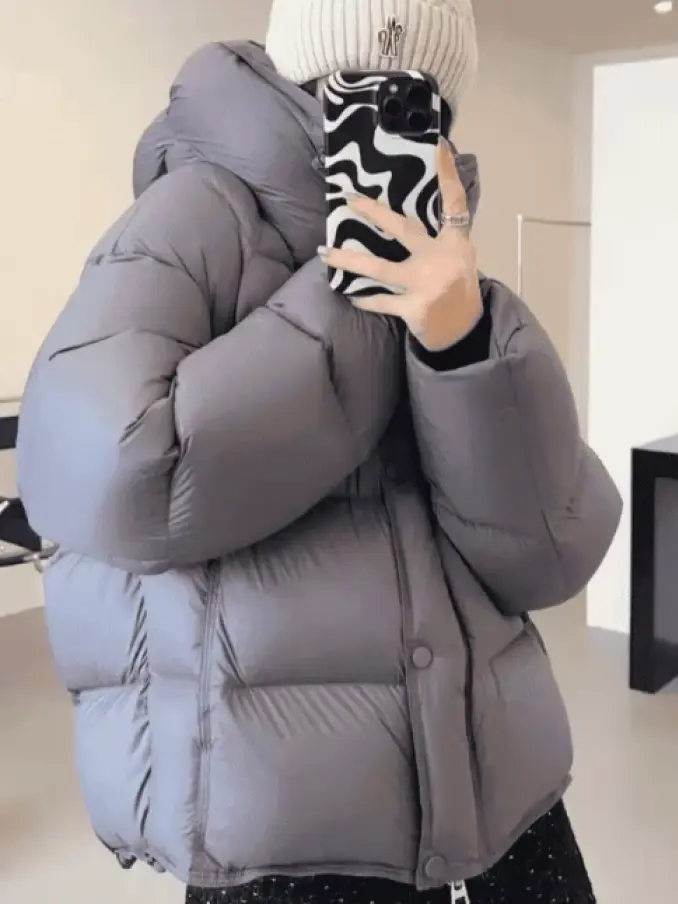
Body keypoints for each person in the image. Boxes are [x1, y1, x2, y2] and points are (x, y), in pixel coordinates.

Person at [17, 1, 621, 903]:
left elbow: (547, 554)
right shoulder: (195, 215)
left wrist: (461, 342)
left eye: (421, 96)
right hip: (292, 821)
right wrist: (356, 306)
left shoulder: (445, 253)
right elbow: (112, 478)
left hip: (491, 788)